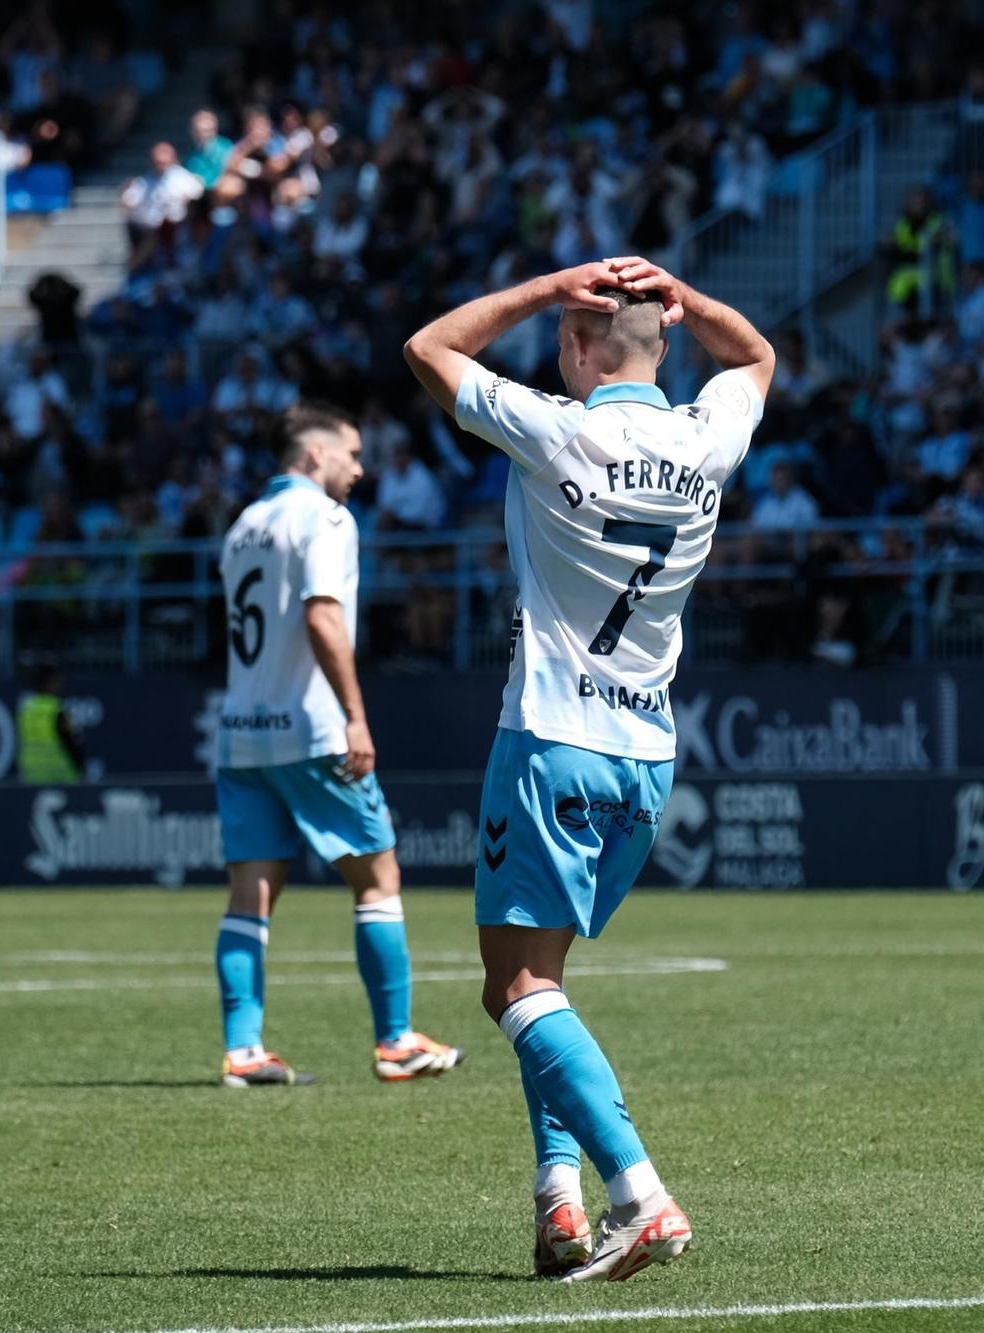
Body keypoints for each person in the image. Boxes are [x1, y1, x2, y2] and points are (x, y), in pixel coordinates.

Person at [404, 256, 773, 1282]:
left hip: (551, 739)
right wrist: (687, 298)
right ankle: (555, 1205)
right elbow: (755, 355)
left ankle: (637, 1193)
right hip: (645, 758)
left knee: (513, 986)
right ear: (661, 346)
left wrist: (542, 285)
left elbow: (427, 348)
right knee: (542, 984)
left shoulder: (555, 427)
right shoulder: (706, 438)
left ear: (575, 347)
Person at [210, 403, 463, 1090]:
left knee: (250, 895)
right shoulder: (323, 518)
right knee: (377, 879)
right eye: (351, 453)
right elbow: (322, 613)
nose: (359, 467)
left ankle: (243, 1048)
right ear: (315, 453)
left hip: (241, 733)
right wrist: (355, 714)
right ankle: (395, 1040)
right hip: (310, 729)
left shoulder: (243, 526)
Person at [15, 662, 87, 784]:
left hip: (31, 771)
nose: (59, 684)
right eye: (57, 681)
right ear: (49, 682)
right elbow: (69, 741)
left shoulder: (26, 709)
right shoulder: (56, 709)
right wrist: (81, 768)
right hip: (58, 772)